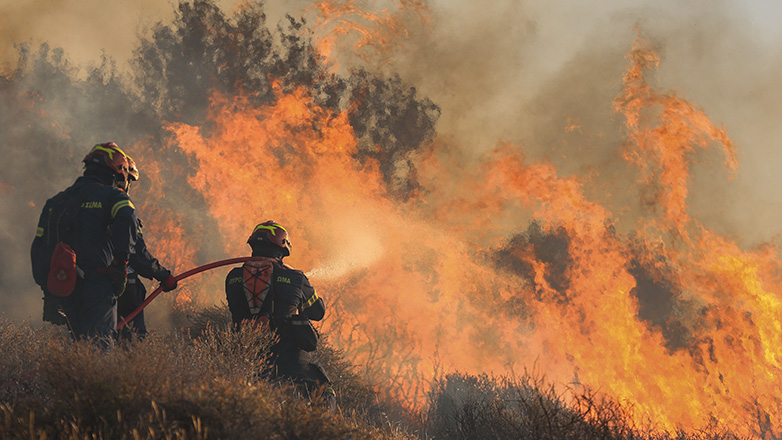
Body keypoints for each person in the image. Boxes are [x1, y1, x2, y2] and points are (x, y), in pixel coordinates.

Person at [31, 143, 176, 348]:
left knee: (79, 346)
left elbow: (38, 249)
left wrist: (48, 289)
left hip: (64, 288)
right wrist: (126, 265)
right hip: (97, 285)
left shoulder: (57, 201)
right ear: (118, 171)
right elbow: (133, 237)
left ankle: (74, 379)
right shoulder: (113, 197)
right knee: (99, 347)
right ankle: (98, 380)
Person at [225, 221, 335, 408]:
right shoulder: (296, 278)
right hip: (292, 359)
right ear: (282, 250)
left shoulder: (233, 277)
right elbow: (317, 311)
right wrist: (295, 280)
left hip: (248, 360)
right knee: (325, 392)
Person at [117, 216, 176, 340]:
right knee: (131, 334)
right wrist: (164, 276)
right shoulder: (123, 214)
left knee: (94, 333)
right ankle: (130, 356)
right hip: (121, 284)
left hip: (86, 283)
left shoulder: (81, 208)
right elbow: (139, 256)